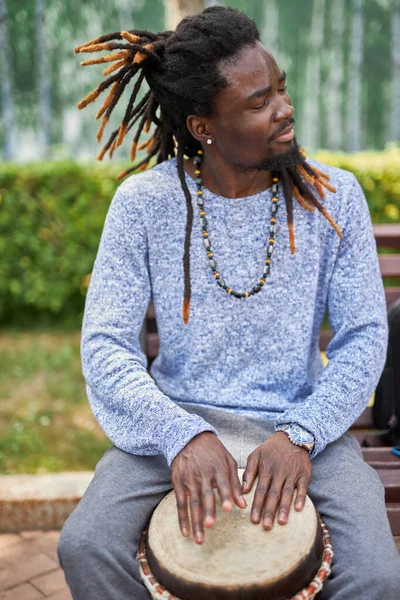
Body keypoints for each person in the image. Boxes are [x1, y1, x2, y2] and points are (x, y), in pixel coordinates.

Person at [57, 6, 400, 599]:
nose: (285, 110)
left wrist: (301, 433)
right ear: (202, 127)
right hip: (173, 429)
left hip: (303, 427)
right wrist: (181, 434)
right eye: (259, 102)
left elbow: (365, 337)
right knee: (84, 545)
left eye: (282, 89)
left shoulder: (334, 197)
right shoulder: (144, 205)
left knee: (376, 574)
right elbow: (106, 347)